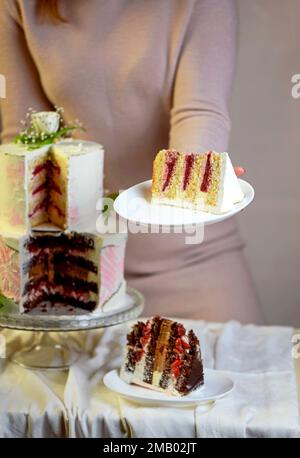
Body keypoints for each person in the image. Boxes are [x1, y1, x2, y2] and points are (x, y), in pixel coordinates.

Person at [0, 0, 264, 323]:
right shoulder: (18, 6)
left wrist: (202, 173)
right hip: (79, 269)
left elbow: (200, 114)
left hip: (195, 264)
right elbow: (25, 137)